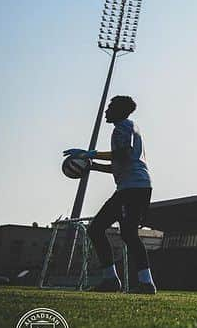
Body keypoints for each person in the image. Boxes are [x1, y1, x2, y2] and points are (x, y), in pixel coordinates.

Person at [63, 95, 155, 294]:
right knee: (121, 233)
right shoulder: (126, 127)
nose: (106, 112)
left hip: (133, 188)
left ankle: (131, 282)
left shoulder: (123, 127)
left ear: (119, 111)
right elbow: (120, 163)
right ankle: (130, 282)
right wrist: (92, 165)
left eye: (109, 108)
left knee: (102, 229)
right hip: (133, 187)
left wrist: (91, 154)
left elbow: (124, 154)